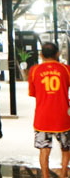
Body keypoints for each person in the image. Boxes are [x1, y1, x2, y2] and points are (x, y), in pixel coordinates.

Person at [29, 42, 70, 178]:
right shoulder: (66, 69)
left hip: (42, 118)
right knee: (66, 148)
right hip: (63, 117)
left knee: (44, 150)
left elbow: (33, 93)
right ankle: (64, 174)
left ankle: (45, 176)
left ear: (41, 55)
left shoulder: (34, 70)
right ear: (57, 54)